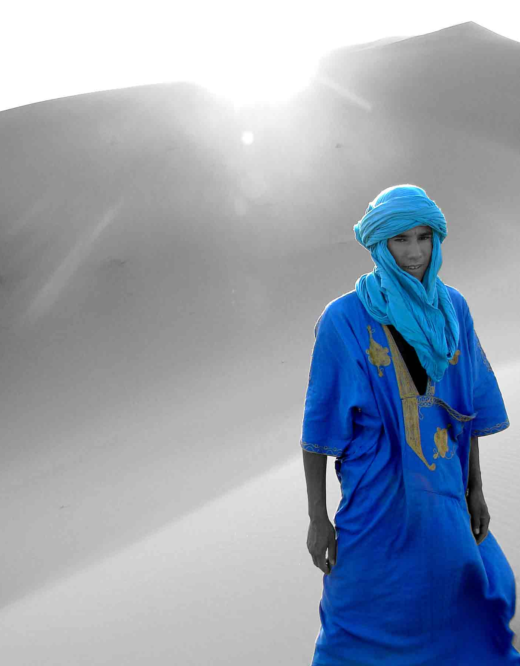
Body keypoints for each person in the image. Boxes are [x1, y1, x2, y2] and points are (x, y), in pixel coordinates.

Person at [301, 184, 519, 665]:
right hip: (373, 499)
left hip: (442, 489)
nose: (416, 252)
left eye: (424, 237)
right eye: (401, 239)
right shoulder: (344, 319)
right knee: (353, 620)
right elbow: (317, 431)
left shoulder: (452, 308)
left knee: (465, 602)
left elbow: (464, 409)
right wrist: (318, 518)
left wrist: (475, 487)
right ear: (380, 244)